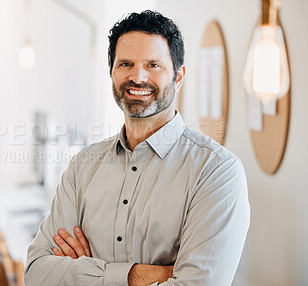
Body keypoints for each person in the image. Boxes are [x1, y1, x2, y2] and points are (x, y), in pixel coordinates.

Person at [25, 10, 250, 286]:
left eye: (153, 65)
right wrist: (140, 275)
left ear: (178, 77)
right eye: (126, 64)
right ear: (112, 73)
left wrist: (84, 271)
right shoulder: (82, 167)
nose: (138, 77)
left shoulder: (216, 172)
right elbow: (36, 273)